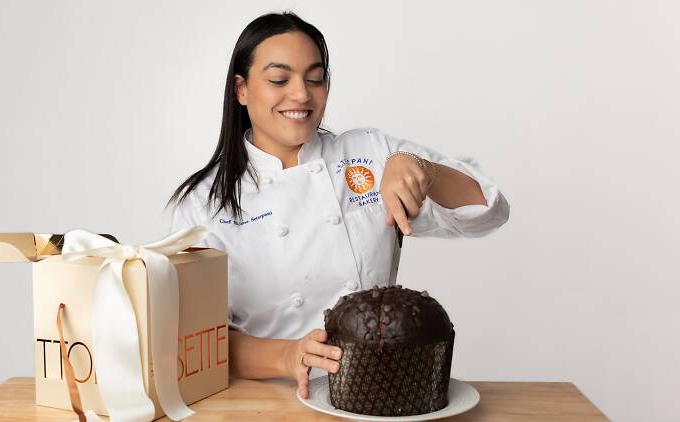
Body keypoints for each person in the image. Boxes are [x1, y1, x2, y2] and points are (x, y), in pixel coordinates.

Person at [166, 12, 510, 399]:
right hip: (267, 400)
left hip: (379, 391)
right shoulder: (203, 203)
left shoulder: (370, 154)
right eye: (280, 79)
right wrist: (287, 356)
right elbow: (196, 338)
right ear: (241, 89)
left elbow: (488, 210)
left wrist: (423, 171)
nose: (301, 95)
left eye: (315, 79)